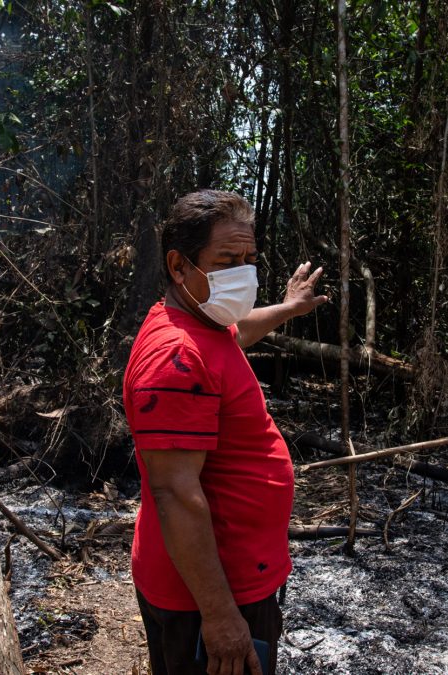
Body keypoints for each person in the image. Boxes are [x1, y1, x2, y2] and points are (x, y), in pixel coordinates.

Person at [122, 190, 328, 675]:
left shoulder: (203, 323)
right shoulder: (175, 358)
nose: (243, 272)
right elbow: (175, 493)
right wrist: (219, 616)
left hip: (231, 580)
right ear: (179, 266)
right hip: (208, 599)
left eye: (250, 259)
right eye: (227, 260)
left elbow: (241, 331)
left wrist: (287, 308)